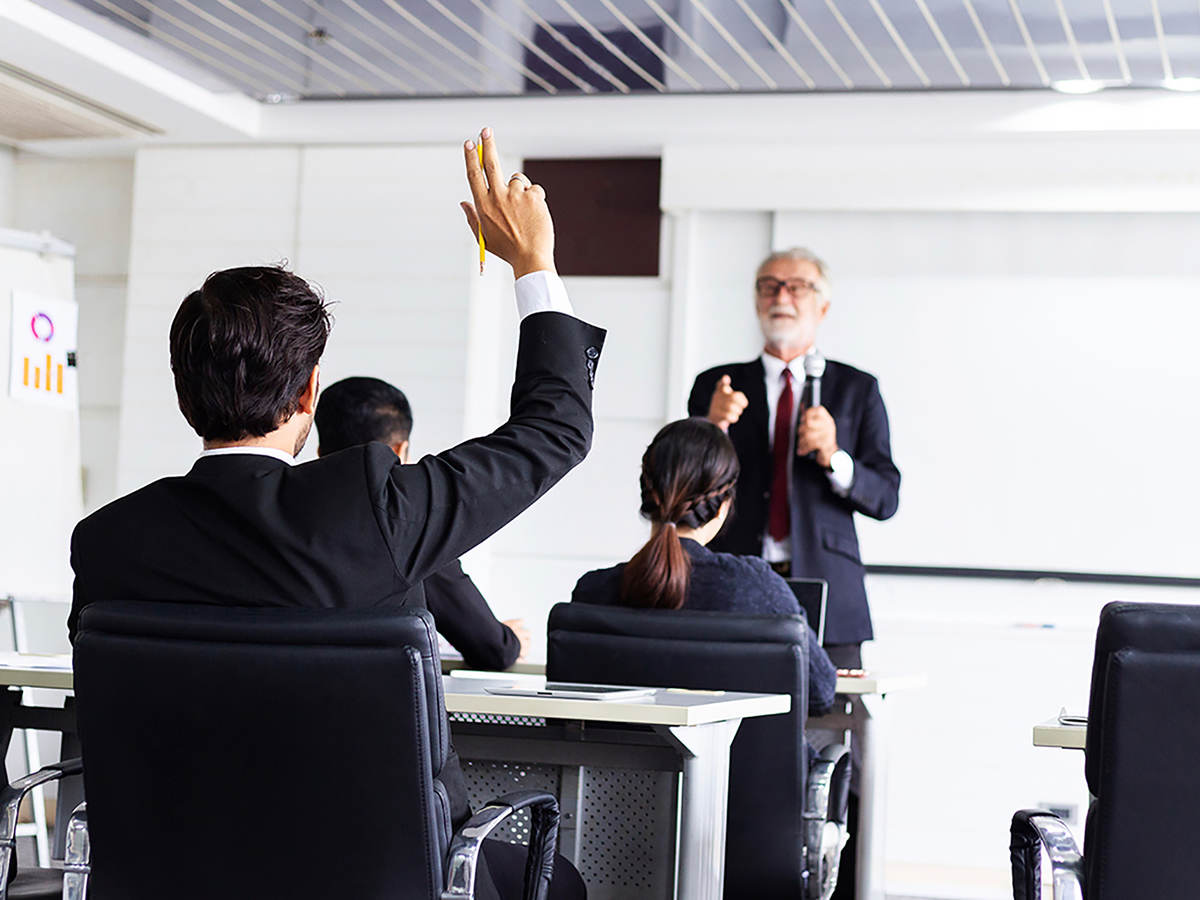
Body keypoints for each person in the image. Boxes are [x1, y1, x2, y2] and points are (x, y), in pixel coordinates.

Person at [68, 129, 596, 900]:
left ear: (183, 393)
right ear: (310, 394)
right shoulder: (374, 510)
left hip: (173, 873)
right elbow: (554, 432)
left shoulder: (108, 541)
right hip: (375, 876)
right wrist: (534, 266)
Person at [687, 247, 900, 670]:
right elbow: (684, 490)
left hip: (829, 594)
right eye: (769, 286)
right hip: (734, 580)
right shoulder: (717, 385)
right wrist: (712, 428)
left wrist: (835, 455)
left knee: (830, 725)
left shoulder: (858, 388)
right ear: (755, 301)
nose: (781, 296)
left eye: (797, 286)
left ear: (823, 306)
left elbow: (886, 498)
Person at [571, 417, 837, 733]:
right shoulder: (757, 588)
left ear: (646, 493)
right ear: (724, 505)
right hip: (739, 783)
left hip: (616, 782)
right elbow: (821, 693)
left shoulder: (593, 592)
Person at [314, 376, 531, 670]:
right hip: (381, 707)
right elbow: (490, 649)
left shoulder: (278, 510)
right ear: (399, 451)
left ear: (319, 451)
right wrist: (511, 640)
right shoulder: (407, 526)